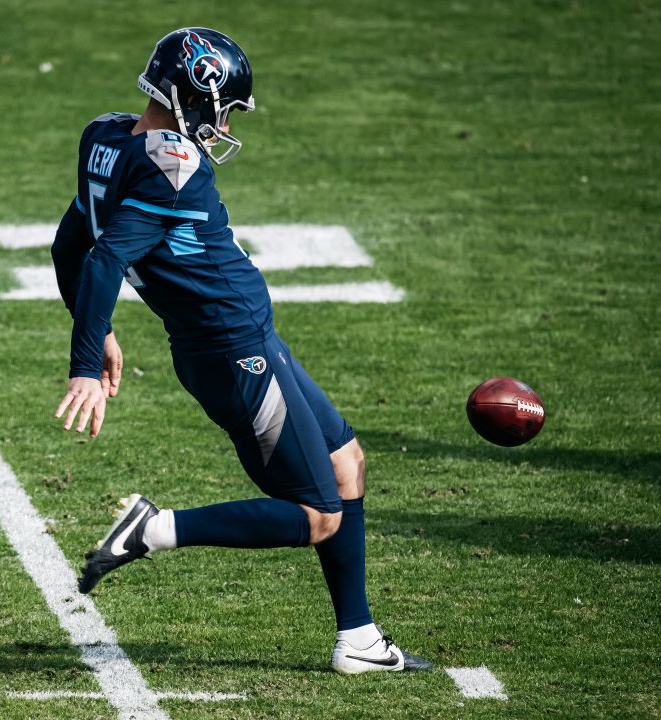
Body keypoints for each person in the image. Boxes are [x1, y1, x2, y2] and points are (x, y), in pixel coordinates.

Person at [50, 27, 431, 674]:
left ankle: (359, 639)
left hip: (249, 341)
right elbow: (104, 256)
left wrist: (102, 333)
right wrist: (86, 361)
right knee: (316, 514)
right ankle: (152, 529)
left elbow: (69, 245)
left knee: (348, 464)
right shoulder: (173, 163)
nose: (222, 122)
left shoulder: (106, 137)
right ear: (194, 94)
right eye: (222, 105)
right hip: (231, 351)